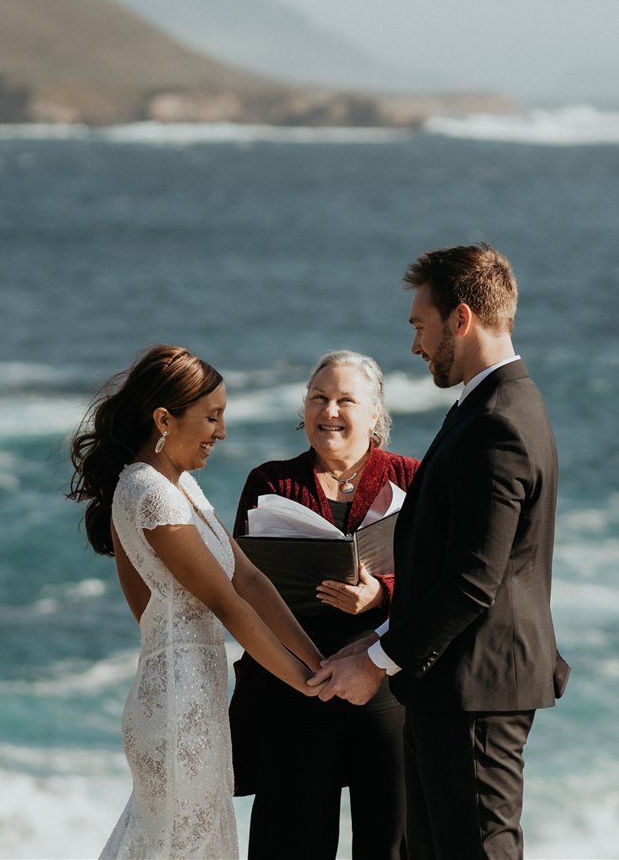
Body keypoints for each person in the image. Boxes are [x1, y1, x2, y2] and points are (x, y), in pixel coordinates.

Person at [312, 244, 571, 860]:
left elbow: (473, 582)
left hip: (476, 697)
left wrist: (377, 662)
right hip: (446, 692)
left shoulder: (498, 422)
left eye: (420, 326)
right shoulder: (488, 408)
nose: (415, 346)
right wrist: (374, 643)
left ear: (461, 319)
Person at [66, 344, 325, 860]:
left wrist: (317, 663)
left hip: (199, 699)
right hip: (174, 705)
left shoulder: (182, 486)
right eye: (212, 417)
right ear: (164, 418)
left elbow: (249, 580)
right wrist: (306, 685)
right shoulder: (147, 491)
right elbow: (228, 606)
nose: (221, 432)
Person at [228, 350, 420, 860]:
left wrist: (382, 593)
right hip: (297, 687)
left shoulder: (412, 477)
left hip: (384, 683)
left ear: (374, 414)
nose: (328, 411)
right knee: (289, 843)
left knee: (391, 843)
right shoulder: (270, 482)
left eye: (344, 400)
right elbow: (242, 581)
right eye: (318, 398)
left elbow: (442, 584)